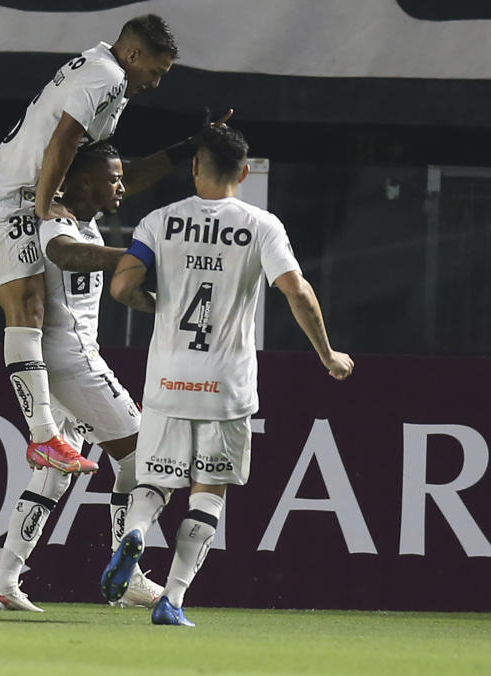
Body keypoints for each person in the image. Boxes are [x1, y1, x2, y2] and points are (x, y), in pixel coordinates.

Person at [100, 124, 354, 626]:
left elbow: (122, 286)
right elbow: (296, 292)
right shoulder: (261, 225)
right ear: (243, 171)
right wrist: (327, 354)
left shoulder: (160, 221)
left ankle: (137, 531)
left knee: (155, 480)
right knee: (209, 489)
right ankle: (171, 599)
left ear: (195, 166)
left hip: (168, 379)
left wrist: (157, 305)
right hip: (226, 386)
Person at [0, 14, 189, 476]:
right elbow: (64, 139)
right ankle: (43, 437)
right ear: (132, 55)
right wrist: (46, 206)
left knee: (50, 487)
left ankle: (47, 468)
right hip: (3, 201)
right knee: (27, 308)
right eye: (156, 72)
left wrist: (191, 147)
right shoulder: (105, 76)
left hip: (21, 200)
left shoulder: (109, 76)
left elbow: (114, 176)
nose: (157, 83)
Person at [0, 142, 163, 612]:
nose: (122, 186)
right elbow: (65, 254)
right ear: (84, 182)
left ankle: (2, 584)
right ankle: (130, 578)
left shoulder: (88, 219)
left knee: (51, 479)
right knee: (142, 459)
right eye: (112, 178)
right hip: (71, 362)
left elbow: (136, 177)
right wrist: (134, 256)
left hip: (68, 361)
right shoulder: (56, 220)